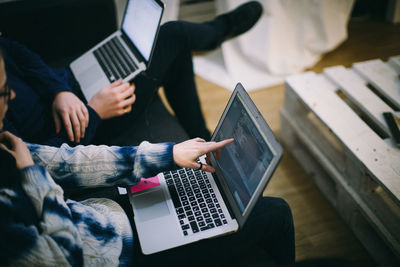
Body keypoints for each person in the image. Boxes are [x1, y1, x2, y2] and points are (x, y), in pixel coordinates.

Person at [0, 48, 295, 266]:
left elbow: (69, 162)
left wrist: (169, 153)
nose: (11, 98)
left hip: (98, 216)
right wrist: (32, 175)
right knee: (277, 212)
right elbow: (65, 256)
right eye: (3, 91)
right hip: (118, 255)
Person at [1, 1, 263, 147]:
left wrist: (59, 90)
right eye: (3, 93)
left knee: (169, 45)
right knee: (174, 36)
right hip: (83, 130)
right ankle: (218, 31)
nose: (10, 93)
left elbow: (15, 51)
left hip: (67, 86)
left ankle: (202, 139)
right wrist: (95, 111)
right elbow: (43, 159)